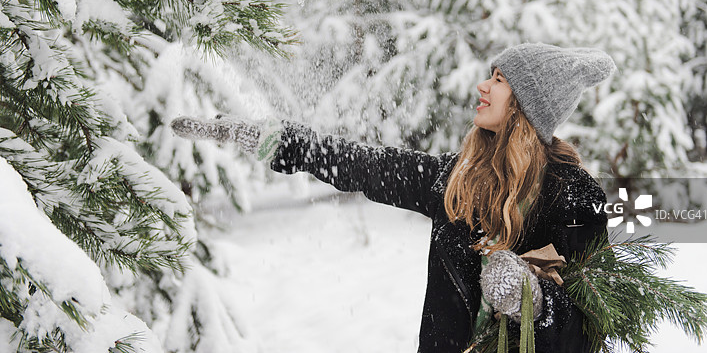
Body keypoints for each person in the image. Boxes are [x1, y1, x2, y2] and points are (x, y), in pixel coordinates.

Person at [171, 42, 615, 353]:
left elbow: (591, 325)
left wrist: (532, 298)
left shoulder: (575, 197)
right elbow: (365, 165)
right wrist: (275, 140)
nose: (482, 86)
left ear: (526, 104)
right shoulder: (456, 182)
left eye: (499, 79)